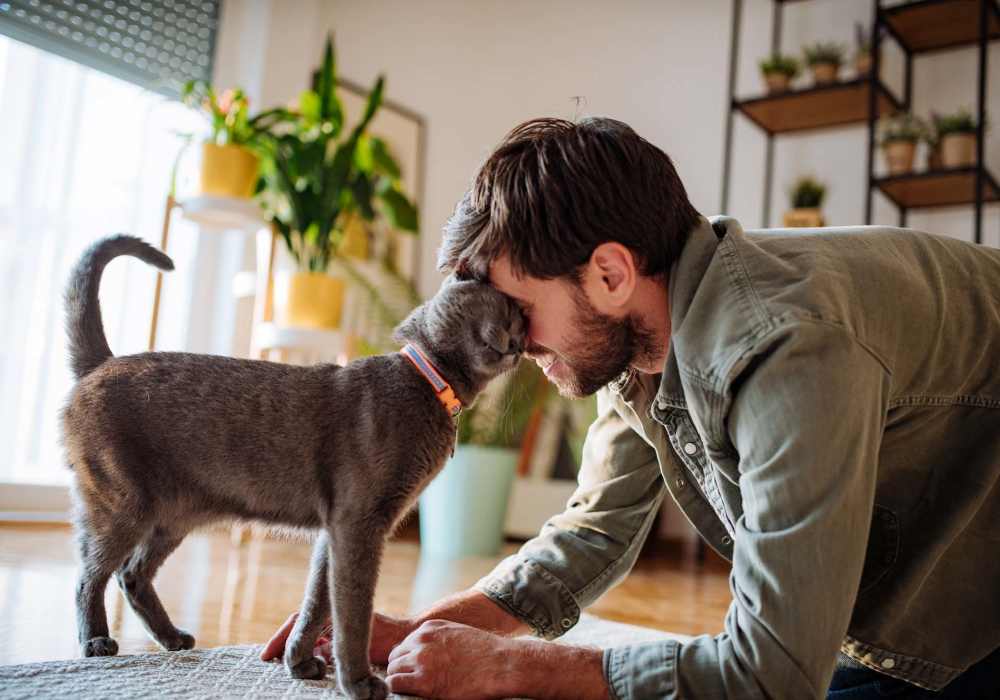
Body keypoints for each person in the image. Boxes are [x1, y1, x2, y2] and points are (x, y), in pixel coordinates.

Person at [262, 117, 1000, 699]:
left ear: (610, 271)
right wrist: (423, 627)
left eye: (518, 308)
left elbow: (771, 676)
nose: (512, 344)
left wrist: (509, 669)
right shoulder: (640, 338)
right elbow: (595, 528)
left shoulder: (787, 351)